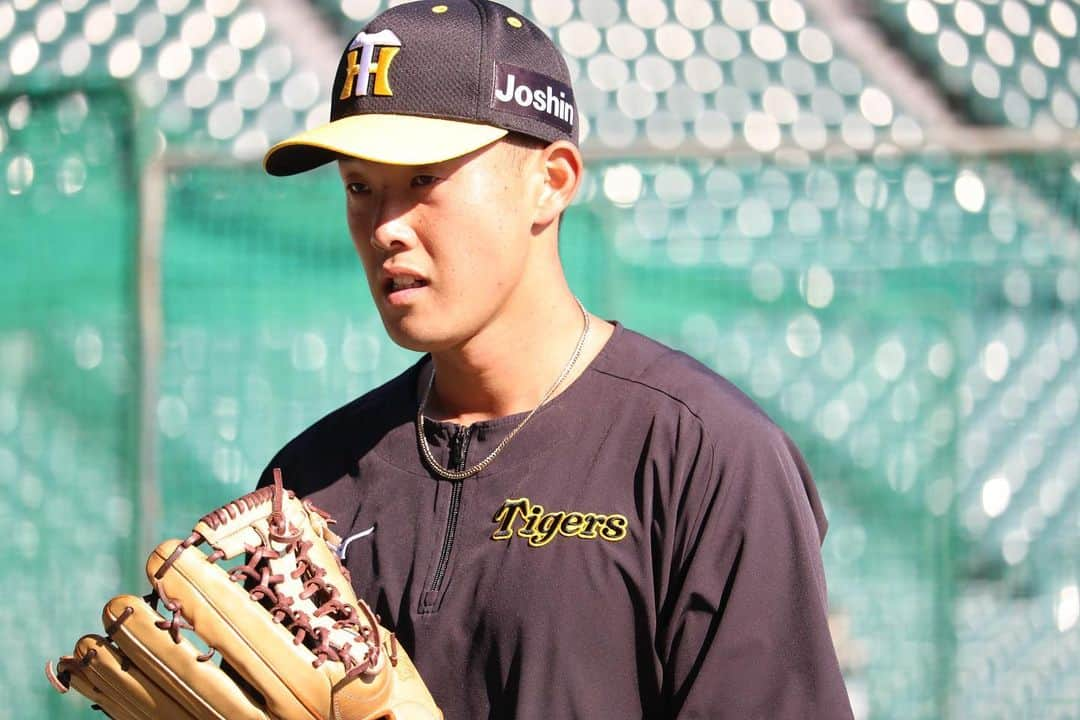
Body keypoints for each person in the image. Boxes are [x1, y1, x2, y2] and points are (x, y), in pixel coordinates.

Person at [260, 1, 854, 717]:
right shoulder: (310, 487)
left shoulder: (705, 456)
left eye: (423, 179)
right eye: (360, 187)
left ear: (553, 179)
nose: (387, 226)